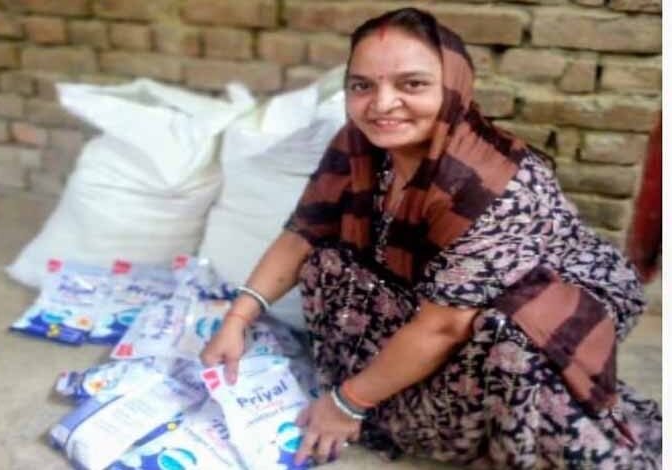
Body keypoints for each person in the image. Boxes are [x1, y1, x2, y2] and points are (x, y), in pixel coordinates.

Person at [201, 7, 661, 469]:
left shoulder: (491, 186)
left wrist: (346, 403)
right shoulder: (358, 144)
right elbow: (304, 231)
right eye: (362, 86)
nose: (382, 104)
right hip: (439, 293)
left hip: (554, 294)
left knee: (510, 340)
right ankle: (393, 392)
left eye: (412, 84)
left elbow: (445, 325)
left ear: (454, 88)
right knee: (329, 265)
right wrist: (239, 317)